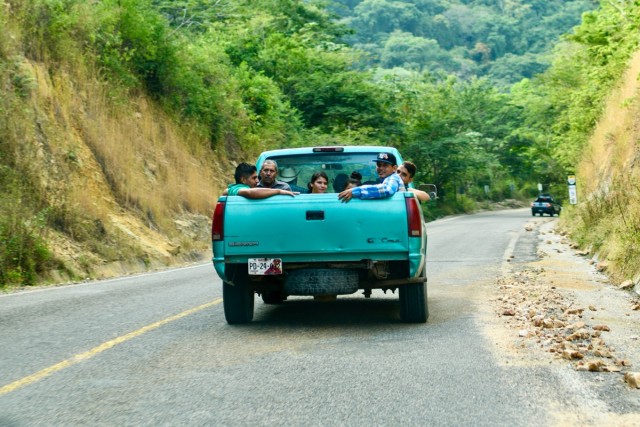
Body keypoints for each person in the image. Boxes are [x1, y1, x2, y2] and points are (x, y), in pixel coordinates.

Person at [338, 152, 405, 202]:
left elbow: (387, 189)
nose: (381, 168)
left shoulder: (393, 178)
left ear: (394, 168)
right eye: (379, 165)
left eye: (385, 165)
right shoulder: (386, 179)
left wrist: (357, 191)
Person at [224, 163, 296, 199]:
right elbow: (250, 193)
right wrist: (279, 191)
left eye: (272, 171)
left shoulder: (232, 189)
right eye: (254, 178)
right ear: (243, 180)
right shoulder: (238, 189)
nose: (257, 181)